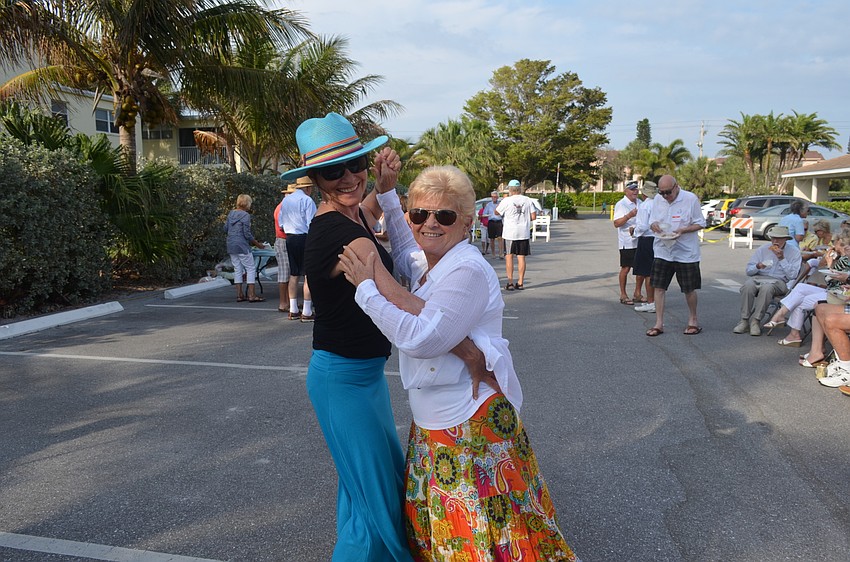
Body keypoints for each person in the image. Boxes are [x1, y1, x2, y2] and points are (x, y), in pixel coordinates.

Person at [338, 165, 579, 562]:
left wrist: (367, 289)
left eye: (444, 216)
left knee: (484, 525)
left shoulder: (466, 269)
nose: (429, 223)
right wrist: (387, 195)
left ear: (467, 222)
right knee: (454, 526)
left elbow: (423, 339)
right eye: (420, 213)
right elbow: (404, 246)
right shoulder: (433, 260)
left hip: (469, 420)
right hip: (440, 418)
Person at [764, 230, 849, 345]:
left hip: (838, 294)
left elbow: (831, 280)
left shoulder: (845, 259)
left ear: (843, 244)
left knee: (800, 300)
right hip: (834, 292)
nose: (833, 246)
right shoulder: (841, 257)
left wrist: (829, 264)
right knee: (800, 287)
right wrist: (829, 260)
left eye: (835, 243)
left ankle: (791, 331)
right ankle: (780, 317)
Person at [646, 175, 705, 336]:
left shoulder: (690, 199)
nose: (665, 196)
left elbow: (700, 222)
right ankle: (658, 323)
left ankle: (693, 320)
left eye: (668, 192)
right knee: (658, 287)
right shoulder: (658, 199)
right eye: (662, 192)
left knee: (689, 288)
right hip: (662, 249)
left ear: (676, 186)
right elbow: (652, 221)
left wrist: (683, 230)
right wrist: (654, 225)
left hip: (685, 252)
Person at [731, 226, 801, 337]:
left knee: (767, 288)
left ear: (785, 239)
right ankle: (744, 320)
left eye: (778, 238)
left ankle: (756, 321)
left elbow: (792, 275)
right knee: (748, 285)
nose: (775, 241)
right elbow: (748, 271)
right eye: (773, 238)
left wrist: (782, 259)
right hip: (760, 277)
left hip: (779, 281)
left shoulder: (794, 252)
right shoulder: (763, 249)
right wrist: (758, 266)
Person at [279, 175, 317, 321]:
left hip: (290, 237)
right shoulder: (307, 200)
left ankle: (293, 309)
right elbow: (311, 223)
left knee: (294, 273)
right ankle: (307, 311)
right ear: (307, 188)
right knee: (308, 274)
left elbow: (281, 223)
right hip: (304, 237)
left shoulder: (286, 200)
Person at [224, 194, 266, 303]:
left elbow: (225, 228)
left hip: (231, 244)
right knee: (250, 268)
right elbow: (247, 234)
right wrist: (258, 244)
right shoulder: (245, 216)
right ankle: (251, 295)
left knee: (237, 269)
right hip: (242, 245)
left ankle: (239, 295)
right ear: (247, 203)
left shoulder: (231, 213)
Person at [496, 180, 537, 290]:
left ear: (510, 189)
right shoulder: (527, 200)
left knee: (509, 257)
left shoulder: (507, 200)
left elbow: (497, 212)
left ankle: (510, 282)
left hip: (510, 232)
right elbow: (533, 216)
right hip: (523, 232)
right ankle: (520, 282)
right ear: (520, 189)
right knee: (521, 257)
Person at [613, 181, 640, 305]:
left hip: (640, 240)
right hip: (627, 242)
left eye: (636, 189)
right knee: (626, 268)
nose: (635, 191)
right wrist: (629, 215)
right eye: (632, 189)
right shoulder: (621, 204)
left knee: (641, 269)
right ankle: (623, 295)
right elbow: (616, 223)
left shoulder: (641, 203)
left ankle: (637, 293)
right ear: (626, 191)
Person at [632, 181, 658, 312]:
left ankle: (651, 301)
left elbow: (642, 226)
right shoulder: (658, 204)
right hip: (657, 239)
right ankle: (653, 301)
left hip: (646, 239)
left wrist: (634, 232)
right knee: (652, 271)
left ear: (644, 193)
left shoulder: (645, 206)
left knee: (647, 272)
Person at [273, 184, 293, 313]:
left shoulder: (283, 207)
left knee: (288, 273)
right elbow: (282, 226)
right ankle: (283, 302)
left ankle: (288, 301)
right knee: (284, 273)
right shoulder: (282, 208)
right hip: (283, 240)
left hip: (285, 240)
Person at [481, 190, 503, 258]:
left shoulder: (500, 204)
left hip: (499, 221)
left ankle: (500, 253)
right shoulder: (489, 205)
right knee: (492, 239)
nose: (494, 198)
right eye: (493, 197)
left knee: (500, 238)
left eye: (495, 197)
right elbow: (484, 214)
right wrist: (489, 215)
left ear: (497, 197)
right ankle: (493, 254)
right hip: (491, 222)